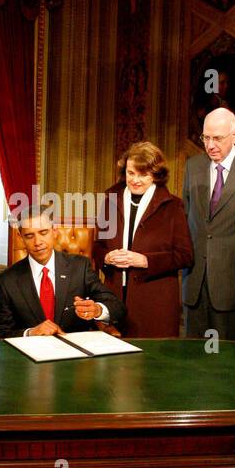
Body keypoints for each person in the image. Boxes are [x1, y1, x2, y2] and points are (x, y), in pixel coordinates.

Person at [182, 106, 235, 339]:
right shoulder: (193, 166)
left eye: (218, 138)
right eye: (206, 137)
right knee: (192, 358)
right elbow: (187, 218)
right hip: (195, 282)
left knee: (227, 360)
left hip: (233, 283)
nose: (210, 145)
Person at [92, 141, 193, 337]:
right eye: (131, 173)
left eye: (143, 174)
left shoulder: (173, 207)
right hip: (113, 298)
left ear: (156, 175)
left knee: (152, 364)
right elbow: (98, 247)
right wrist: (106, 257)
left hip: (155, 305)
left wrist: (146, 260)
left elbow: (185, 255)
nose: (135, 180)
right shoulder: (110, 200)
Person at [0, 207, 125, 338]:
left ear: (54, 231)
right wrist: (31, 333)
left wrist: (97, 310)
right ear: (21, 238)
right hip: (29, 355)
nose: (37, 242)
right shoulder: (6, 280)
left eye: (43, 233)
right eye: (29, 236)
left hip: (74, 354)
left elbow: (117, 307)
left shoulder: (80, 267)